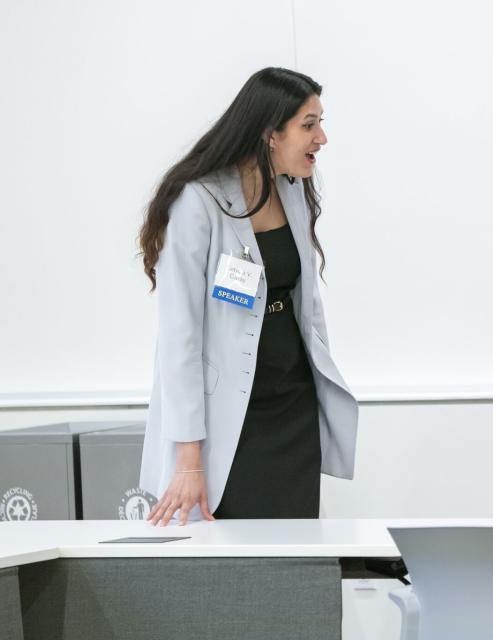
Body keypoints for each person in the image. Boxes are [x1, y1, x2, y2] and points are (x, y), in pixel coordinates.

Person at [137, 67, 358, 526]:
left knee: (297, 555)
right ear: (269, 132)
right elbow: (180, 339)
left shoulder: (292, 189)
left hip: (292, 406)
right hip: (230, 415)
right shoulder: (198, 201)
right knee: (235, 569)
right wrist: (189, 461)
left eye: (320, 122)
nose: (322, 138)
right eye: (309, 125)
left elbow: (306, 303)